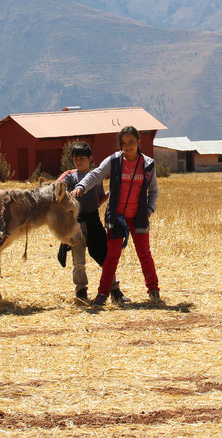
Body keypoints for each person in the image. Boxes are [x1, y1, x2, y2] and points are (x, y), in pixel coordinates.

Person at [72, 126, 160, 306]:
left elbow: (153, 190)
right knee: (111, 257)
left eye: (132, 143)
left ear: (138, 143)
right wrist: (81, 186)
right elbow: (96, 174)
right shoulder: (114, 161)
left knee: (144, 255)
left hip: (139, 216)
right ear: (120, 145)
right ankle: (103, 295)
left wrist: (149, 209)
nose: (128, 147)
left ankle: (154, 291)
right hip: (117, 217)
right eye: (124, 143)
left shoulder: (147, 164)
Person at [57, 142, 128, 302]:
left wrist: (111, 192)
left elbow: (98, 200)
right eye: (75, 159)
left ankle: (114, 289)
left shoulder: (96, 177)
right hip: (75, 223)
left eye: (82, 158)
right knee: (78, 260)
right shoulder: (69, 176)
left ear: (90, 159)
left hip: (93, 221)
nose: (78, 161)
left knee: (105, 257)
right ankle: (81, 291)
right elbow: (57, 188)